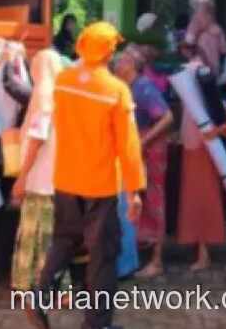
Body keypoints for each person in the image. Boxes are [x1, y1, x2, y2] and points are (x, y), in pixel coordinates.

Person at [25, 22, 145, 329]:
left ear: (80, 46)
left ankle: (39, 295)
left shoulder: (63, 82)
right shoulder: (116, 90)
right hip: (100, 184)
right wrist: (134, 191)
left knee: (63, 240)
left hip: (66, 177)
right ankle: (97, 323)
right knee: (102, 255)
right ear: (110, 52)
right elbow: (128, 147)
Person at [113, 47, 174, 278]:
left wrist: (143, 140)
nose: (117, 64)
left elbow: (167, 117)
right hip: (137, 150)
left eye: (122, 61)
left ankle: (156, 260)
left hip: (151, 151)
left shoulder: (143, 88)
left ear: (131, 66)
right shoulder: (126, 87)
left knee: (154, 201)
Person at [178, 1, 226, 271]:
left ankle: (204, 248)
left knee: (202, 190)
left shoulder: (201, 65)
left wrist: (195, 35)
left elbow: (211, 59)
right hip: (194, 134)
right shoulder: (199, 58)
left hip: (200, 135)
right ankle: (199, 246)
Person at [10, 49, 65, 292]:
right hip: (54, 177)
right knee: (51, 236)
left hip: (40, 180)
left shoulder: (43, 96)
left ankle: (37, 286)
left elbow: (37, 139)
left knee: (37, 236)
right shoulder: (60, 95)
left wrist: (22, 177)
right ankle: (56, 287)